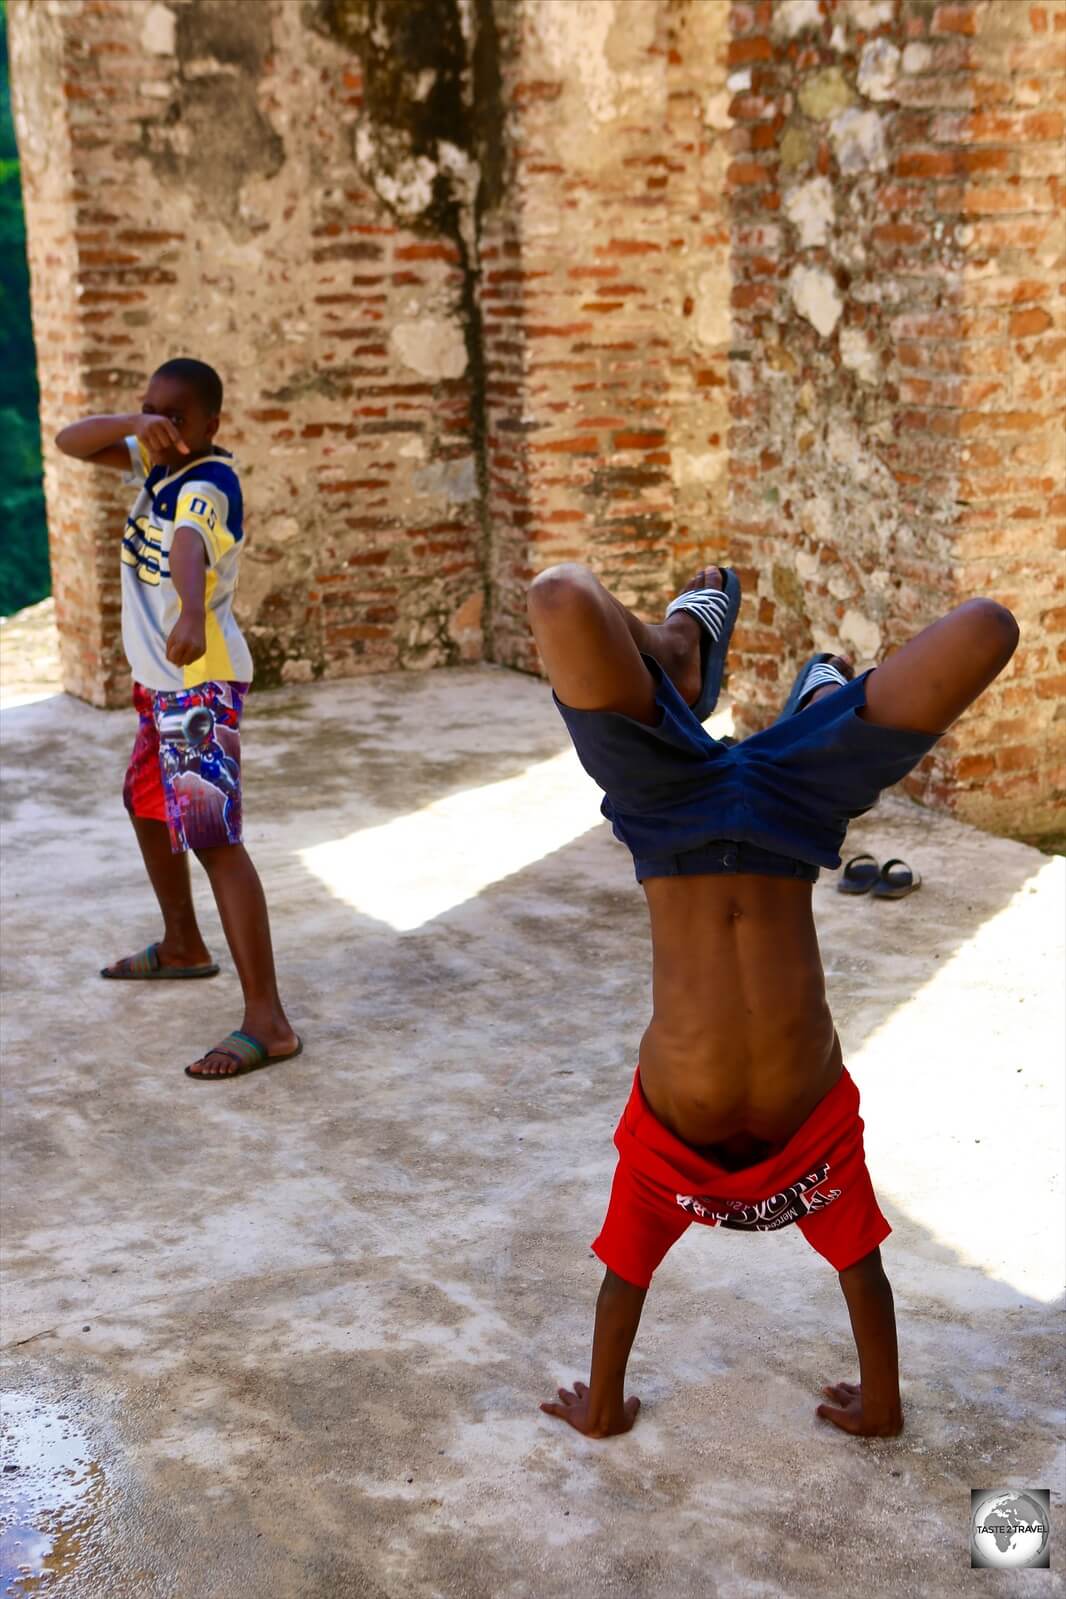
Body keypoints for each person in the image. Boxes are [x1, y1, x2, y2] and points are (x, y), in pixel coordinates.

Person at [528, 562, 1018, 1439]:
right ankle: (814, 715)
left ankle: (683, 654)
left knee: (559, 596)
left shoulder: (656, 1167)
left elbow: (621, 1285)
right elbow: (864, 1275)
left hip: (666, 813)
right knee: (989, 627)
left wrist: (601, 1409)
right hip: (795, 814)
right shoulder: (820, 1159)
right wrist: (883, 1404)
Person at [55, 358, 301, 1080]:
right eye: (151, 408)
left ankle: (269, 1020)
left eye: (177, 416)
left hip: (196, 687)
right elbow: (72, 440)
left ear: (211, 426)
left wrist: (191, 611)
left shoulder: (207, 482)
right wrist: (138, 425)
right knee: (142, 804)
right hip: (159, 685)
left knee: (214, 840)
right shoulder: (154, 459)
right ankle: (183, 944)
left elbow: (190, 546)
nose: (163, 424)